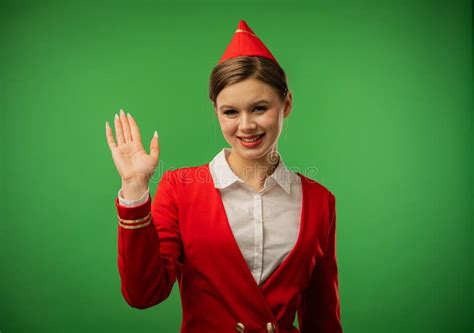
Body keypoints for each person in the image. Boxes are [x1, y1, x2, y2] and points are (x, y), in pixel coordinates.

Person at [105, 19, 343, 333]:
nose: (246, 126)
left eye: (259, 108)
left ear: (286, 105)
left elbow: (322, 319)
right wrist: (134, 189)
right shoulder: (179, 189)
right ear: (216, 111)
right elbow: (143, 294)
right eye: (231, 112)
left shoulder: (319, 201)